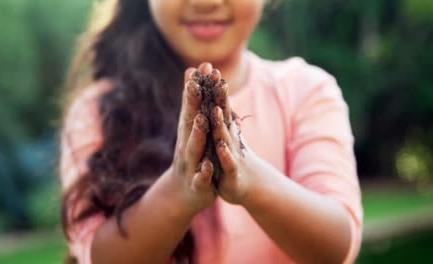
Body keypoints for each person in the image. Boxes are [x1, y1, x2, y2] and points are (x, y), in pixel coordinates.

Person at [59, 0, 363, 263]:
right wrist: (178, 191)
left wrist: (251, 180)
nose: (206, 2)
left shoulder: (306, 92)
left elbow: (334, 246)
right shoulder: (99, 109)